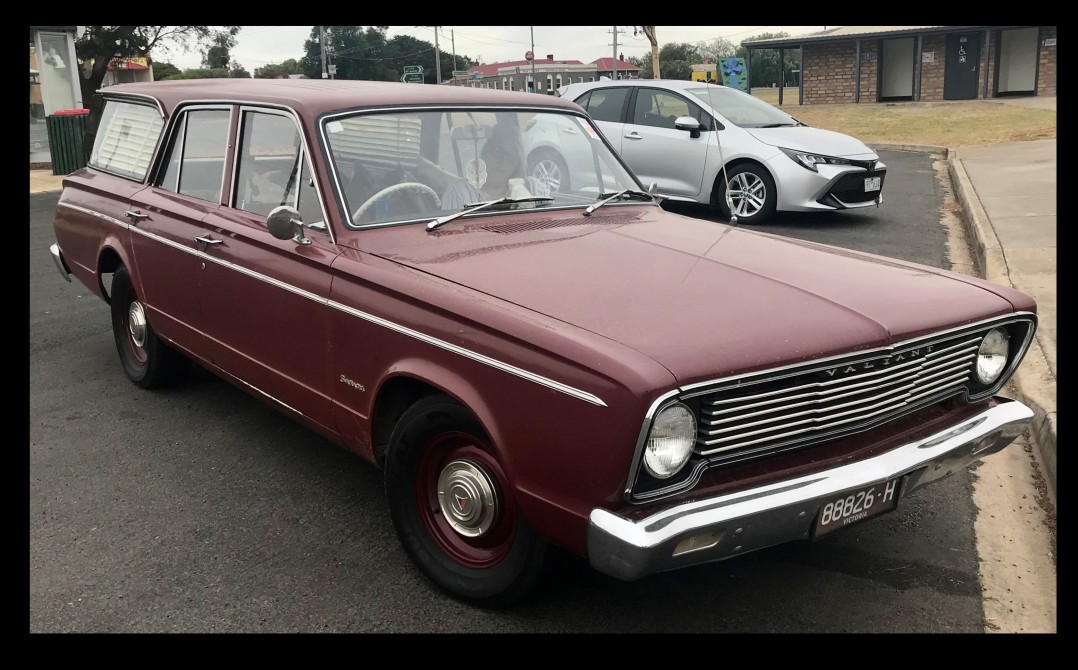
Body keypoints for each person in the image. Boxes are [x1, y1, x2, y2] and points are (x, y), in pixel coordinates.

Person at [441, 122, 546, 209]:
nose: (502, 161)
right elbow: (451, 232)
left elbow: (550, 228)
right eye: (497, 152)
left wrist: (529, 206)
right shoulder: (459, 192)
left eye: (510, 157)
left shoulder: (535, 188)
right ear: (485, 153)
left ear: (518, 162)